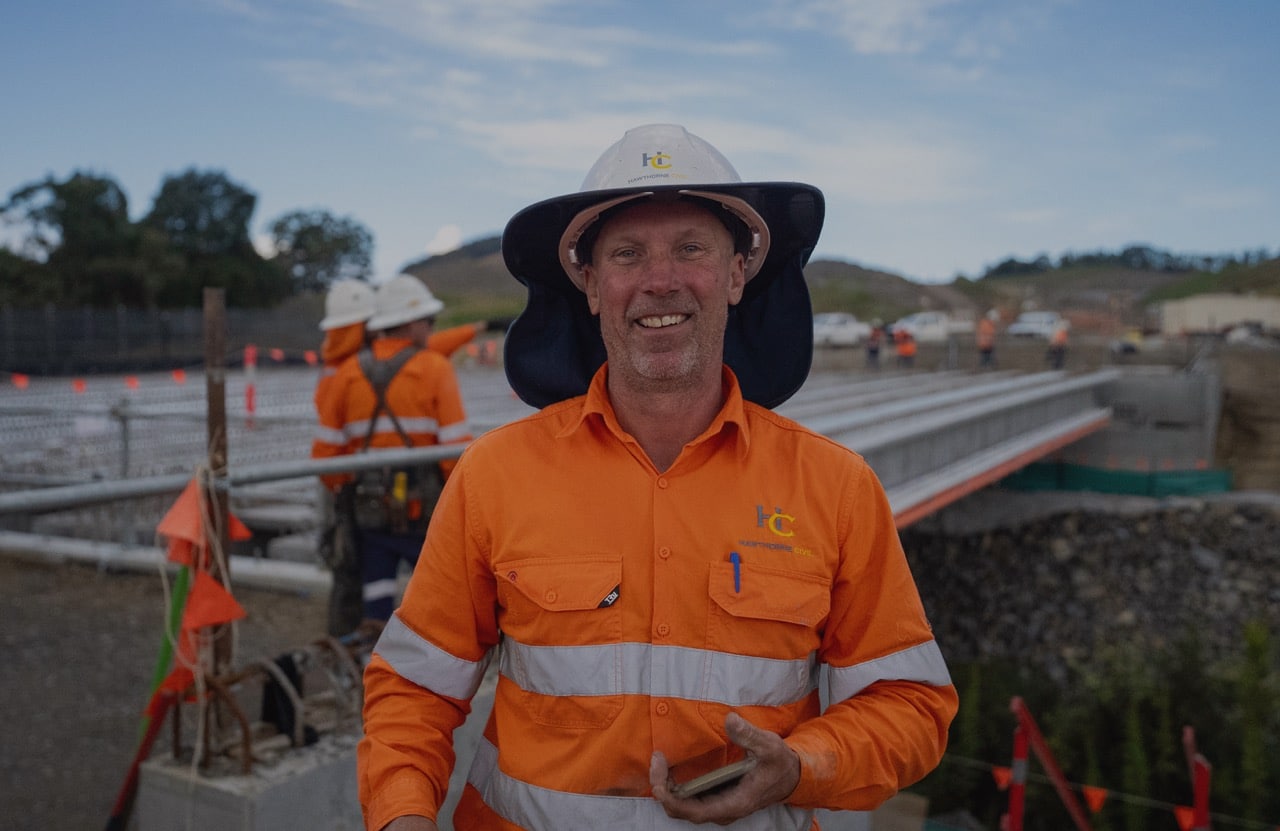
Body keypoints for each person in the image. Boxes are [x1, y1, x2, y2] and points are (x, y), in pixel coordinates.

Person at [358, 123, 956, 831]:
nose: (660, 280)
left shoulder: (836, 488)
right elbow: (413, 688)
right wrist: (401, 815)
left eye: (692, 248)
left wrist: (801, 765)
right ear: (589, 282)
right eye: (628, 253)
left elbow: (909, 703)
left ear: (738, 274)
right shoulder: (495, 476)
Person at [313, 279, 505, 636]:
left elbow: (325, 455)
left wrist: (352, 487)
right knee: (441, 600)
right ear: (413, 323)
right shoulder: (434, 368)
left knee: (376, 602)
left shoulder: (347, 374)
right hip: (424, 517)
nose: (432, 329)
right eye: (429, 321)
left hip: (369, 516)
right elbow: (455, 455)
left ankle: (372, 667)